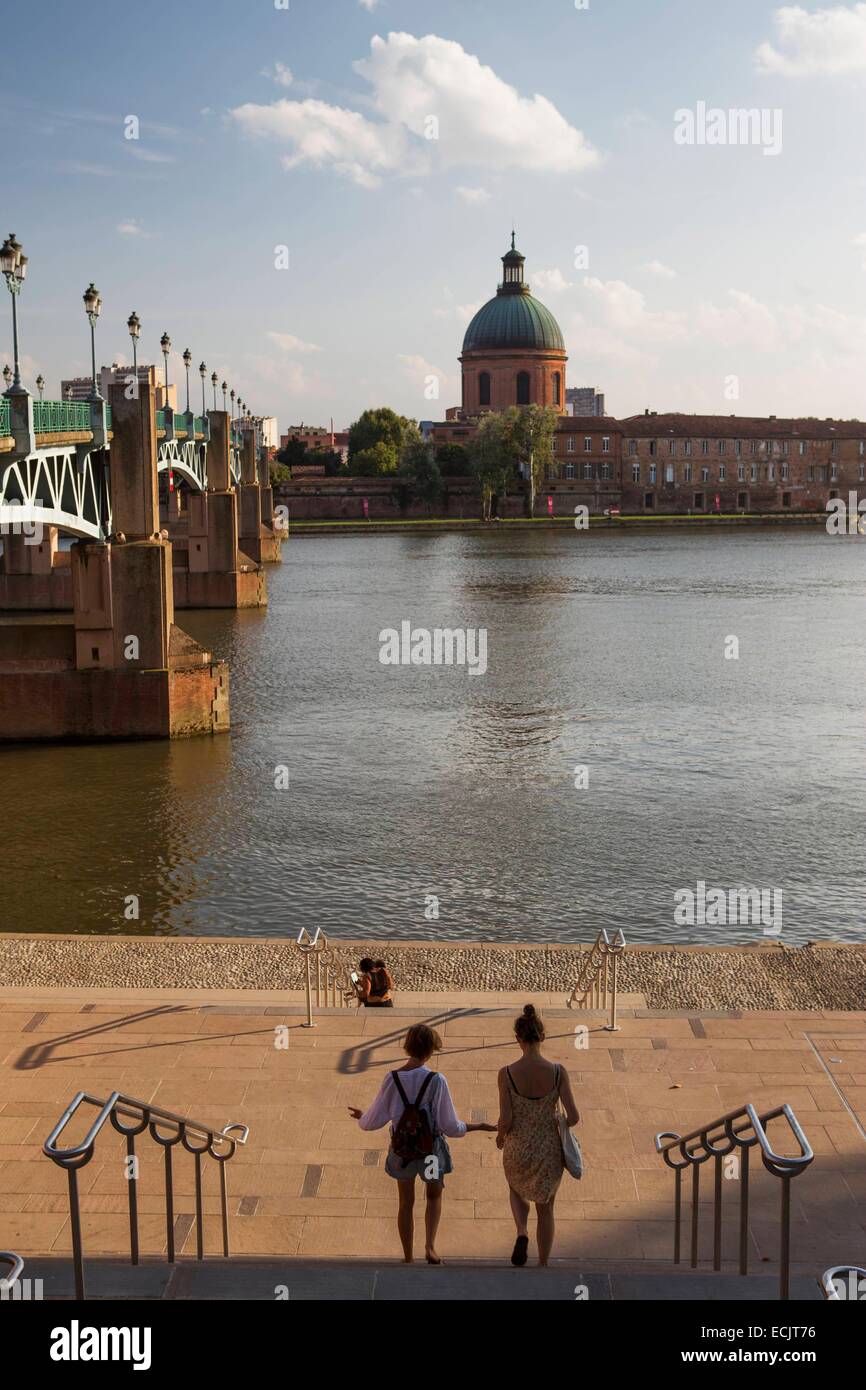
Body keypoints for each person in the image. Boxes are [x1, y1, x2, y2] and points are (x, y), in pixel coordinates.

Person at [348, 1023, 494, 1264]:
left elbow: (374, 1121)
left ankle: (408, 1257)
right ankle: (430, 1247)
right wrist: (477, 1126)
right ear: (430, 1051)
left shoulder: (392, 1079)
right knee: (434, 1196)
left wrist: (362, 1117)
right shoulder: (437, 1081)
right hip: (430, 1152)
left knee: (405, 1202)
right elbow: (449, 1125)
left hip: (403, 1151)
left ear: (407, 1047)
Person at [496, 1004, 580, 1268]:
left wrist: (500, 1136)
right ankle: (543, 1263)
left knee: (515, 1187)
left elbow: (506, 1118)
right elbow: (574, 1116)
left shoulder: (506, 1074)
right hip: (548, 1148)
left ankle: (521, 1231)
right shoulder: (558, 1072)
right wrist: (557, 1120)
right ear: (542, 1037)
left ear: (517, 1039)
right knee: (546, 1208)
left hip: (518, 1146)